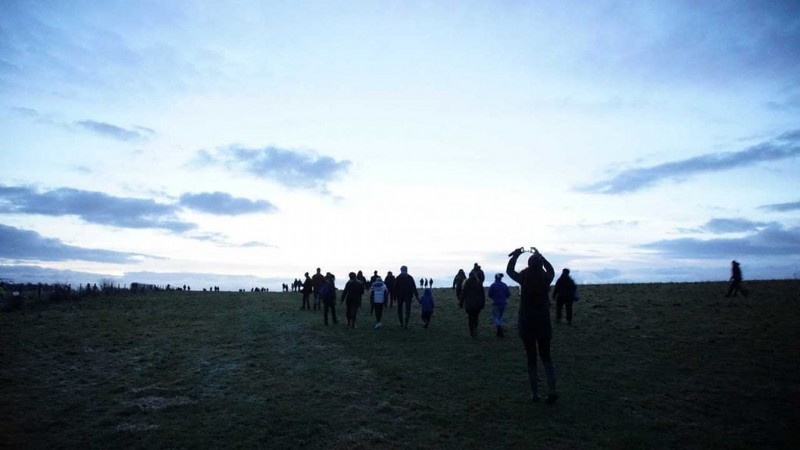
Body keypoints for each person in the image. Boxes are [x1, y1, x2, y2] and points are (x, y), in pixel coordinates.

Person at [507, 247, 558, 404]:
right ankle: (552, 390)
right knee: (546, 357)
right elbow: (552, 270)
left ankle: (535, 394)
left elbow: (509, 271)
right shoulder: (545, 278)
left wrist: (516, 255)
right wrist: (541, 256)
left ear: (528, 265)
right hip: (543, 322)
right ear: (540, 265)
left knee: (531, 357)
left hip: (527, 322)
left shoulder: (524, 277)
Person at [461, 269, 486, 338]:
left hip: (469, 305)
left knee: (470, 318)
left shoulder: (467, 284)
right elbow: (482, 295)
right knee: (476, 317)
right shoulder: (479, 284)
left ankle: (472, 331)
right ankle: (475, 328)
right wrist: (483, 304)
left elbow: (463, 294)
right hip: (477, 305)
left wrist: (461, 303)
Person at [488, 273, 510, 337]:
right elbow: (508, 294)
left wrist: (494, 298)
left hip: (496, 303)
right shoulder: (504, 285)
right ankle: (500, 326)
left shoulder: (493, 285)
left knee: (495, 316)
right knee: (500, 316)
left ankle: (499, 327)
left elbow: (490, 294)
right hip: (503, 303)